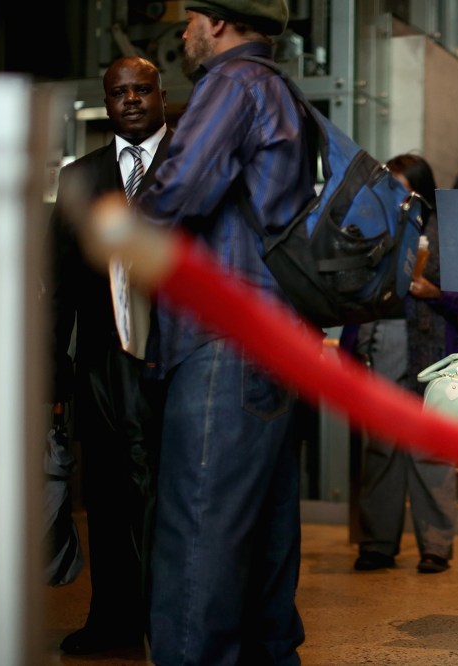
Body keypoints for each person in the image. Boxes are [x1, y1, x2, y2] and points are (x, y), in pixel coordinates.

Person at [135, 2, 311, 663]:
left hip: (222, 339)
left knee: (198, 541)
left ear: (217, 22)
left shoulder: (233, 83)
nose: (182, 33)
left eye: (190, 19)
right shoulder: (284, 90)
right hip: (270, 340)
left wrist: (116, 226)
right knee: (263, 539)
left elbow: (179, 190)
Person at [48, 55, 171, 656]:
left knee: (173, 494)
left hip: (177, 359)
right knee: (106, 494)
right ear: (105, 100)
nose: (130, 100)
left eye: (141, 89)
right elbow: (59, 285)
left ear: (160, 94)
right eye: (118, 92)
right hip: (101, 363)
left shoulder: (191, 165)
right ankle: (113, 620)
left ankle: (172, 617)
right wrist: (54, 371)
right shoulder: (80, 177)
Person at [352, 154, 458, 574]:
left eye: (402, 186)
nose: (395, 195)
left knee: (432, 447)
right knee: (381, 447)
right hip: (382, 339)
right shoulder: (371, 227)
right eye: (389, 186)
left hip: (435, 345)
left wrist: (433, 291)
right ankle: (376, 544)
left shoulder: (447, 231)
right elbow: (357, 294)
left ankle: (436, 545)